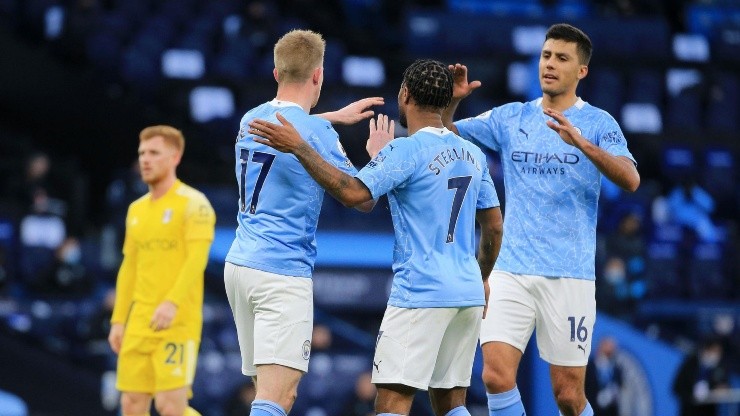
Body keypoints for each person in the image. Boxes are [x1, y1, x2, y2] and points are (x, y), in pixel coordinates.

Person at [249, 58, 504, 416]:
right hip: (466, 293)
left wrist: (300, 147)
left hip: (420, 292)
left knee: (391, 403)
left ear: (405, 95)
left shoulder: (406, 150)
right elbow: (493, 226)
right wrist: (482, 277)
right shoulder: (473, 155)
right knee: (451, 402)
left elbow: (355, 194)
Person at [441, 23, 641, 416]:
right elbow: (445, 132)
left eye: (561, 58)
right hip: (510, 269)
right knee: (495, 376)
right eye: (546, 55)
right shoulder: (511, 117)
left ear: (581, 71)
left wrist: (581, 143)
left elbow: (631, 178)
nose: (550, 64)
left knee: (568, 396)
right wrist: (452, 104)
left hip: (569, 274)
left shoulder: (600, 123)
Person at [223, 29, 383, 416]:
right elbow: (362, 199)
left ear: (277, 74)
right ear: (318, 75)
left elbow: (291, 127)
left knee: (265, 391)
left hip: (240, 267)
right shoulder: (316, 133)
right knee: (278, 398)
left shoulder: (250, 119)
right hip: (281, 273)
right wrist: (377, 157)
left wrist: (331, 118)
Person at [108, 125, 216, 416]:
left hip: (177, 322)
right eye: (142, 153)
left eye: (154, 153)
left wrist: (171, 303)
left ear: (175, 157)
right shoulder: (136, 210)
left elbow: (197, 260)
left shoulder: (195, 204)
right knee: (131, 405)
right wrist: (119, 319)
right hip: (139, 321)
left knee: (170, 407)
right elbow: (129, 267)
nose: (145, 159)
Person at [672, 337, 730, 416]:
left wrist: (720, 390)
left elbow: (724, 386)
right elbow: (677, 387)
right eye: (714, 351)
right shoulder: (690, 364)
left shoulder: (720, 368)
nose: (716, 355)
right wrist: (692, 397)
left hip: (708, 411)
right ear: (706, 350)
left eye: (719, 352)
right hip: (688, 411)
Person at [585, 337, 623, 416]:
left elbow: (617, 391)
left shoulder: (616, 371)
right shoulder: (588, 366)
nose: (611, 348)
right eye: (607, 345)